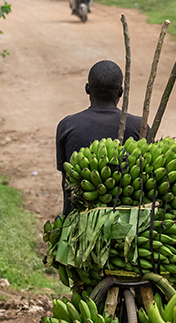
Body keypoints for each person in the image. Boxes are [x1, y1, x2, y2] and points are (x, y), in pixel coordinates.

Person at [55, 60, 141, 211]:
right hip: (129, 224)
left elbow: (66, 182)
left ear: (87, 89)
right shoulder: (139, 127)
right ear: (121, 92)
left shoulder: (67, 126)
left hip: (76, 222)